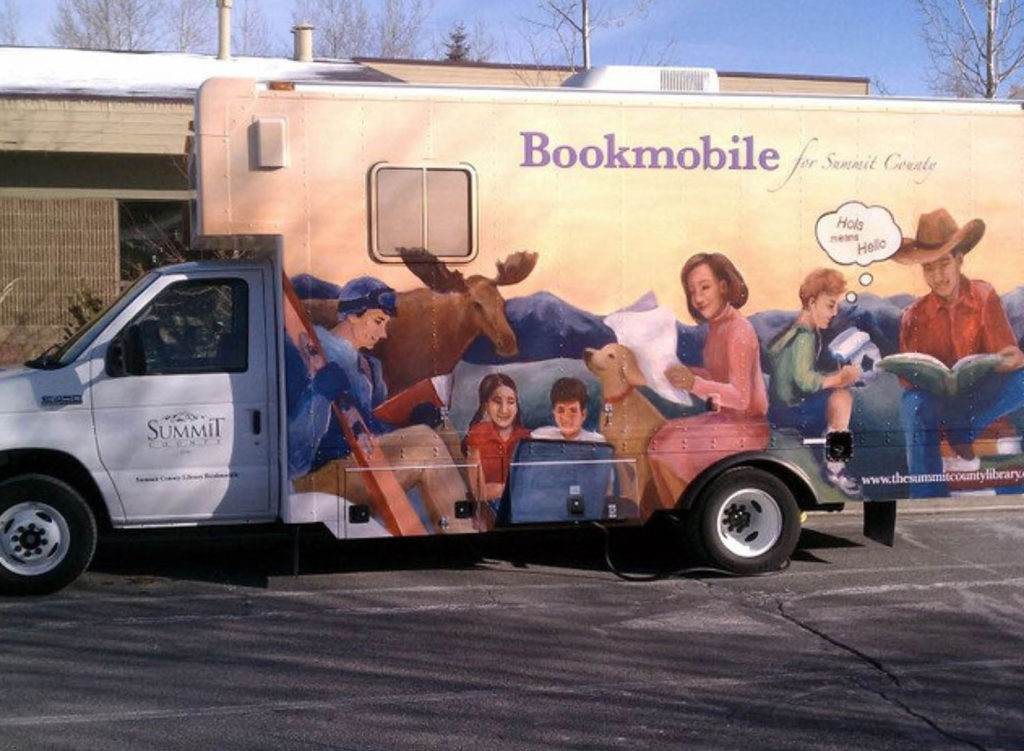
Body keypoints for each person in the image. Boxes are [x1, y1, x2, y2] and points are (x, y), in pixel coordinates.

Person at [288, 276, 472, 532]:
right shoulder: (307, 350)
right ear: (353, 315)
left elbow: (370, 428)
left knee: (442, 426)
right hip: (319, 476)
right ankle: (461, 532)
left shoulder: (368, 367)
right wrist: (319, 395)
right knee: (425, 443)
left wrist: (411, 419)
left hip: (361, 461)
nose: (383, 333)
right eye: (378, 321)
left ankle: (474, 515)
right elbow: (294, 459)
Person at [894, 209, 1024, 498]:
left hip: (979, 396)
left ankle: (963, 429)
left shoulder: (984, 296)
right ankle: (927, 493)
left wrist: (1006, 360)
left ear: (959, 260)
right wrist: (922, 377)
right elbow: (908, 379)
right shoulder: (912, 315)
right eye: (929, 269)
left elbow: (1009, 352)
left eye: (944, 264)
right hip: (938, 401)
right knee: (913, 402)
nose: (938, 276)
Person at [647, 252, 771, 504]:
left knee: (667, 449)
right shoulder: (718, 327)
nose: (698, 298)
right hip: (725, 419)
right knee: (661, 436)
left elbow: (740, 398)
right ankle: (678, 506)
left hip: (748, 427)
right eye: (692, 291)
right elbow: (718, 378)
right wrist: (688, 374)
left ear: (724, 286)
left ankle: (684, 507)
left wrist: (693, 383)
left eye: (704, 287)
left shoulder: (738, 330)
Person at [768, 268, 861, 496]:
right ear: (811, 302)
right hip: (791, 411)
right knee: (842, 399)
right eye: (830, 305)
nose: (834, 312)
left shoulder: (792, 332)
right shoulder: (804, 336)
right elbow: (806, 382)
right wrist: (840, 379)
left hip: (780, 408)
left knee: (836, 393)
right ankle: (836, 469)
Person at [463, 373, 532, 502]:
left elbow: (533, 486)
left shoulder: (526, 437)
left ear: (516, 405)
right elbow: (479, 492)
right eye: (497, 402)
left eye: (511, 402)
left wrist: (498, 489)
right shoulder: (477, 434)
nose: (504, 410)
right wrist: (516, 487)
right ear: (486, 405)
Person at [531, 377, 606, 442]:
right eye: (561, 410)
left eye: (573, 411)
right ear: (554, 412)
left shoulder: (597, 443)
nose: (566, 417)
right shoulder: (539, 437)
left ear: (583, 414)